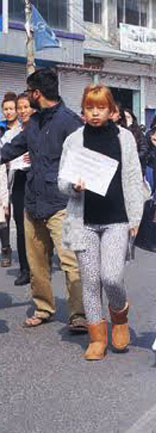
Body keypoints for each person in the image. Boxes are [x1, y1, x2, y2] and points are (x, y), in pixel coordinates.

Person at [58, 85, 147, 360]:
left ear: (112, 111)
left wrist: (135, 217)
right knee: (90, 280)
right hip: (83, 220)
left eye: (101, 108)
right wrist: (74, 186)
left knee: (111, 275)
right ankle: (97, 337)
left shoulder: (125, 139)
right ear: (83, 110)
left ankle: (119, 317)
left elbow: (134, 178)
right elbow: (62, 181)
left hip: (117, 219)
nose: (95, 113)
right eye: (89, 108)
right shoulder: (74, 140)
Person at [0, 69, 86, 331]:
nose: (27, 97)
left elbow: (85, 159)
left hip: (62, 204)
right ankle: (44, 307)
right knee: (37, 263)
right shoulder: (32, 123)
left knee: (70, 262)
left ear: (37, 93)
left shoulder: (71, 123)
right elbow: (11, 149)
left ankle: (78, 314)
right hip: (32, 203)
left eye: (29, 92)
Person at [5, 93, 32, 285]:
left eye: (25, 107)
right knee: (21, 227)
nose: (22, 111)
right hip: (19, 180)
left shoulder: (41, 129)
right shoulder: (11, 134)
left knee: (41, 226)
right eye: (19, 108)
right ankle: (25, 268)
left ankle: (42, 263)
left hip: (39, 180)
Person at [1, 92, 20, 268]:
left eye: (11, 109)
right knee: (3, 214)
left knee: (20, 213)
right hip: (2, 174)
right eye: (5, 109)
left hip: (19, 175)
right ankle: (5, 249)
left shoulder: (23, 129)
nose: (8, 112)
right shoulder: (0, 129)